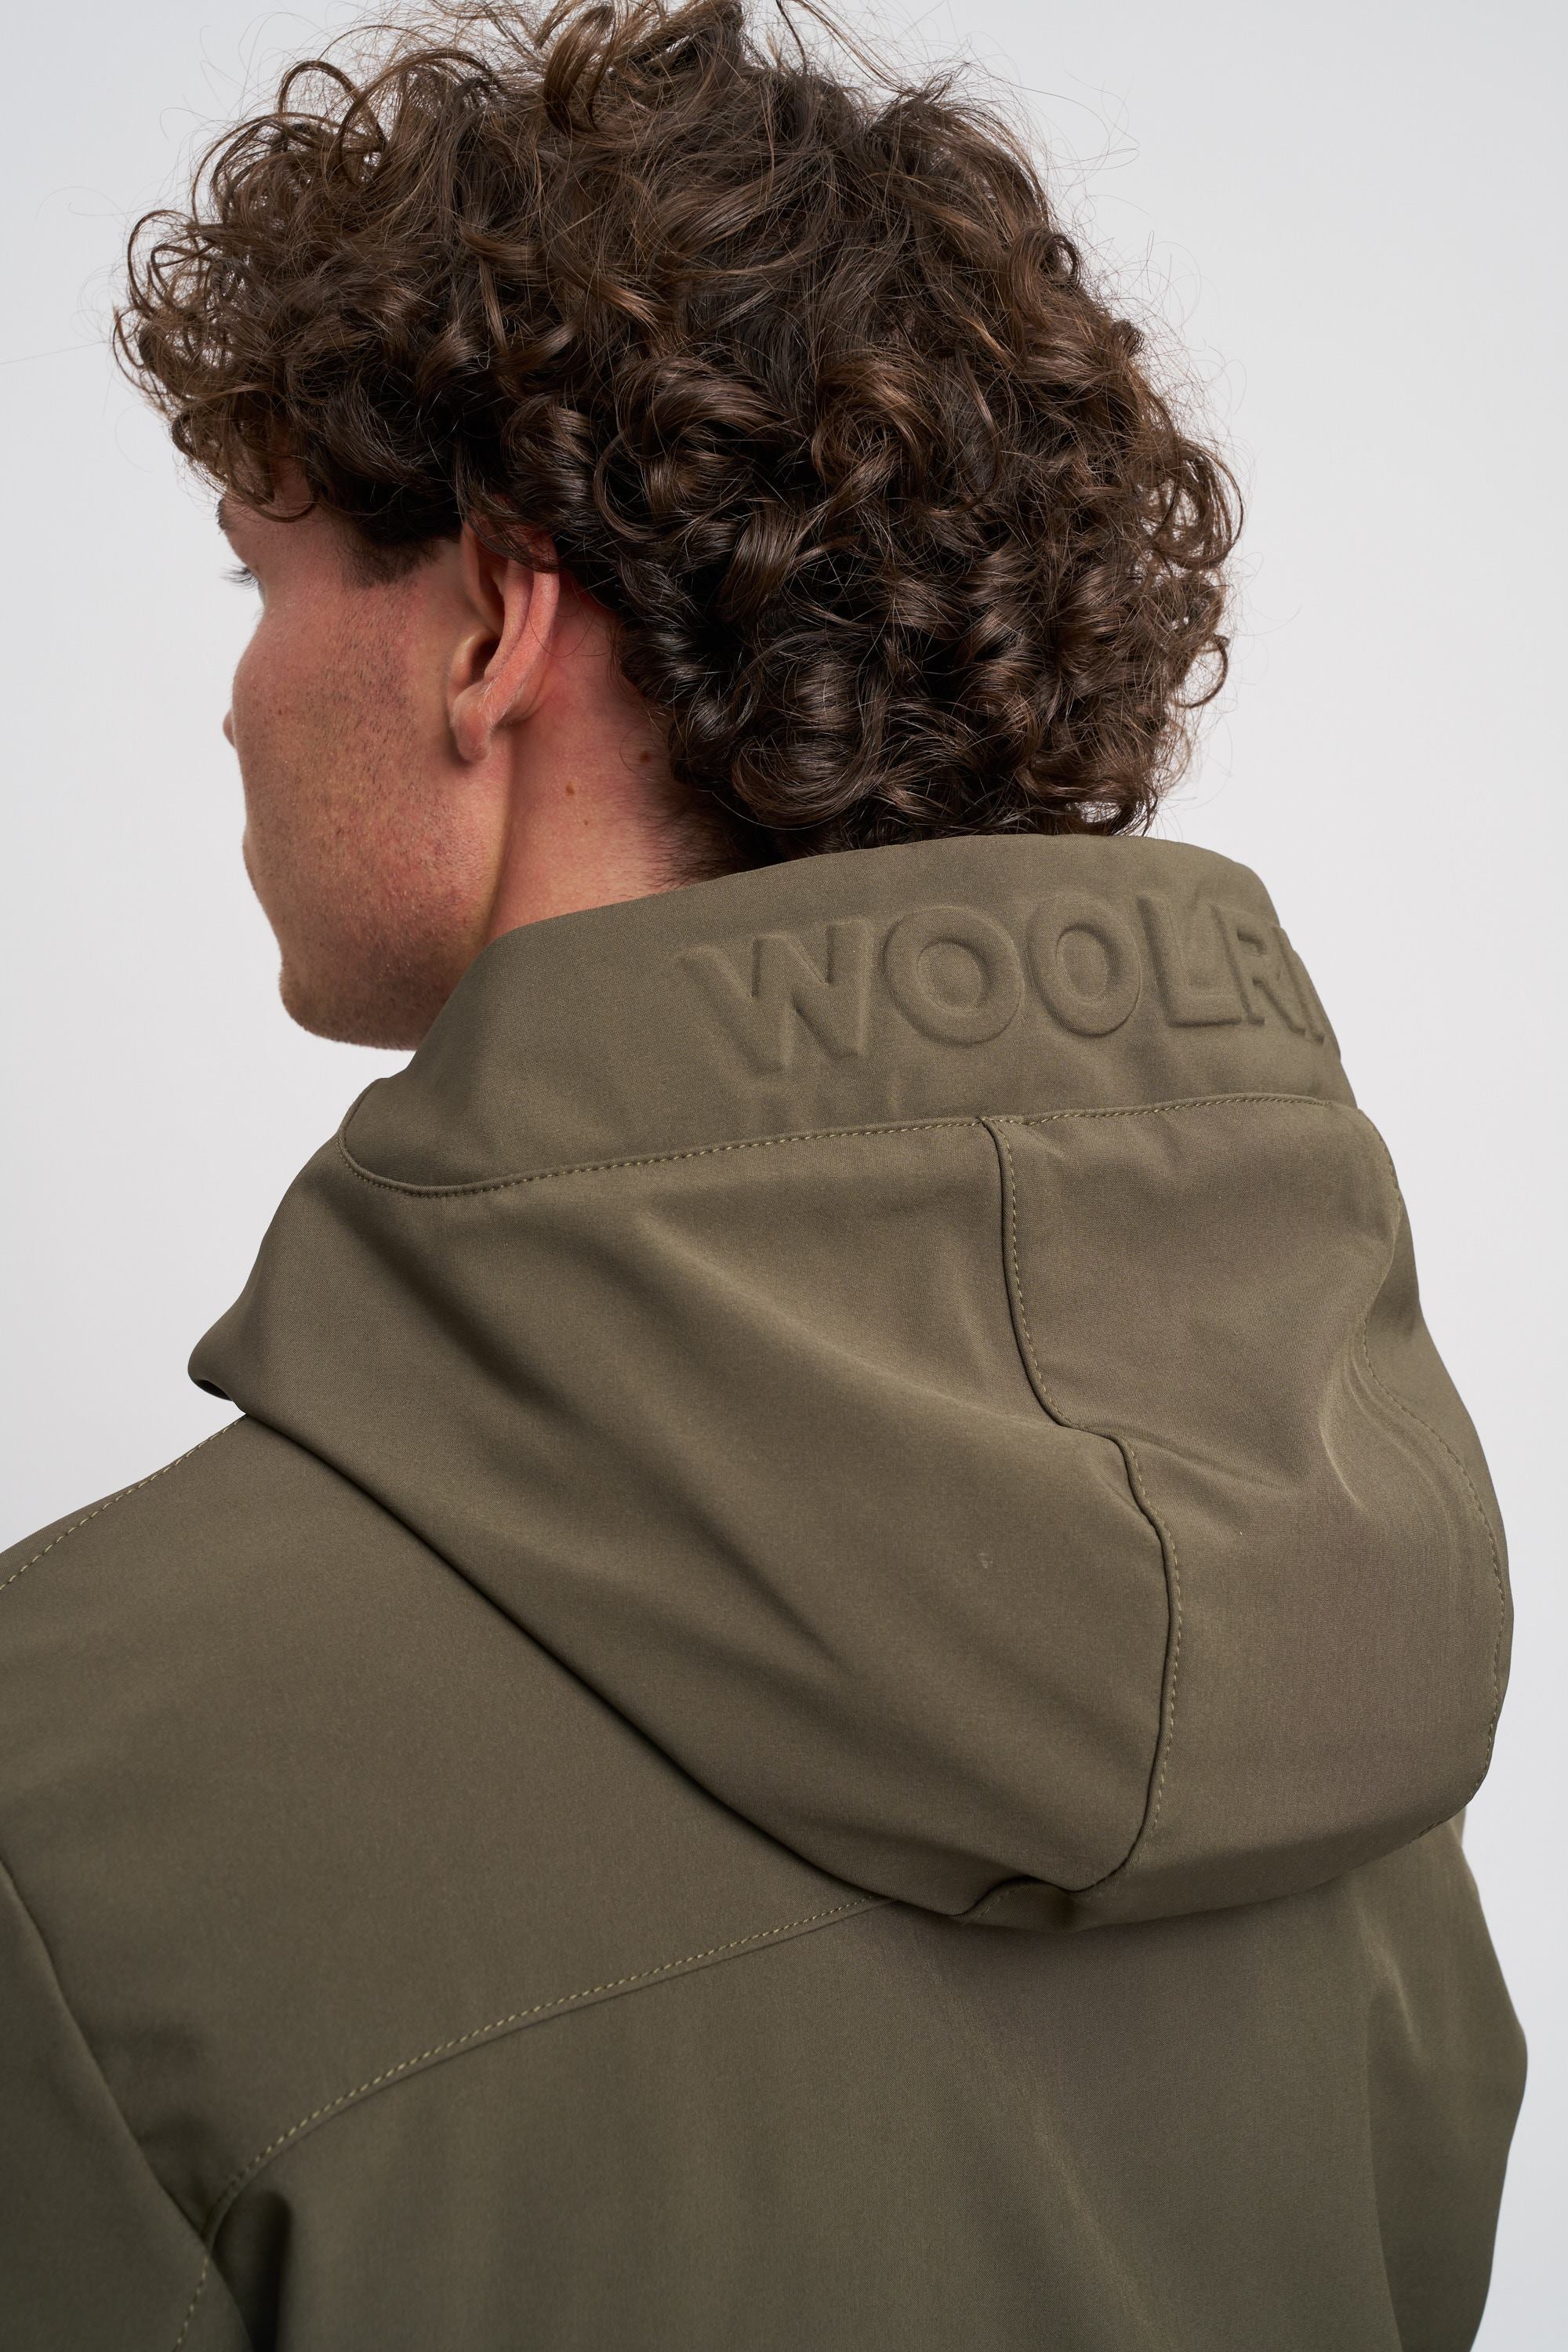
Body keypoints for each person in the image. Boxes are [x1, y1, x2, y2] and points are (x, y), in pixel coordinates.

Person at [0, 2, 1524, 2345]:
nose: (234, 694)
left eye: (261, 580)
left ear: (492, 623)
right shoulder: (1350, 1678)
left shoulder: (67, 1804)